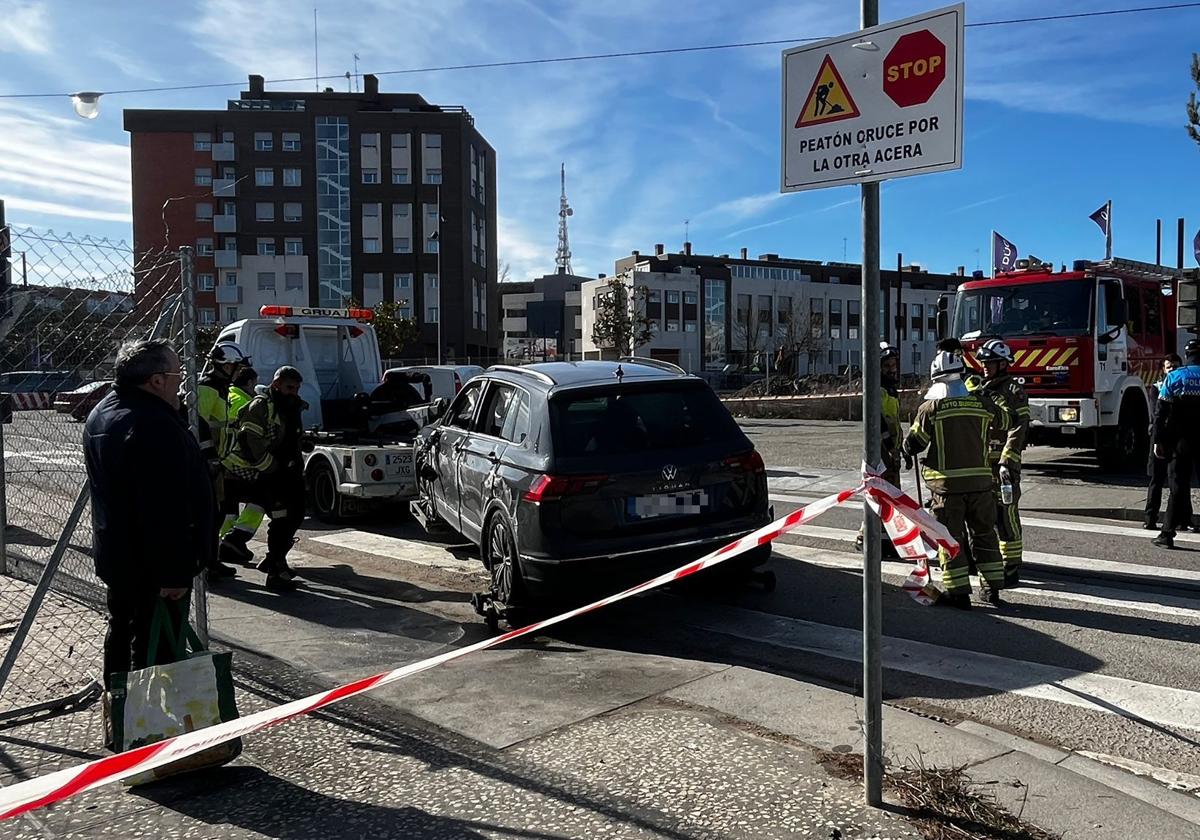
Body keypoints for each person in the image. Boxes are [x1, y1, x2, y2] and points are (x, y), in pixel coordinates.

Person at [82, 339, 216, 687]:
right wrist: (173, 572)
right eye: (177, 373)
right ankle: (154, 730)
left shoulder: (104, 413)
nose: (181, 381)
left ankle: (123, 718)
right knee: (155, 650)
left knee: (123, 633)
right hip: (155, 567)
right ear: (157, 380)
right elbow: (164, 506)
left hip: (120, 557)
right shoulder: (153, 425)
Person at [902, 351, 1009, 609]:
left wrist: (906, 449)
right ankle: (992, 589)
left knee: (950, 539)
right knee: (985, 534)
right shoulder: (981, 404)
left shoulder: (932, 408)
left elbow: (916, 442)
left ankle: (958, 593)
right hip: (982, 485)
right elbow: (1006, 421)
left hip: (947, 488)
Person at [220, 366, 308, 590]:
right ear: (276, 384)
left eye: (297, 388)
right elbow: (250, 440)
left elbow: (288, 435)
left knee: (294, 516)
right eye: (289, 387)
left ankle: (275, 561)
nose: (294, 392)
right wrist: (270, 468)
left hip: (289, 473)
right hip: (271, 475)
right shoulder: (261, 406)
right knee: (280, 519)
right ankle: (275, 572)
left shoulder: (290, 406)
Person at [975, 339, 1030, 588]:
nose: (985, 367)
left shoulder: (1014, 391)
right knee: (983, 514)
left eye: (990, 363)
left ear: (1003, 364)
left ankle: (1011, 567)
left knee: (1005, 514)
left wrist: (1008, 462)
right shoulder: (977, 388)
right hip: (981, 464)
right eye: (983, 362)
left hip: (1003, 467)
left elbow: (1018, 429)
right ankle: (992, 560)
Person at [196, 342, 253, 579]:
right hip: (205, 462)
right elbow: (198, 425)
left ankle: (212, 560)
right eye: (235, 366)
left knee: (218, 513)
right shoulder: (207, 388)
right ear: (224, 365)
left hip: (218, 460)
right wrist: (209, 458)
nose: (238, 371)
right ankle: (205, 564)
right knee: (210, 514)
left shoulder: (219, 388)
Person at [1152, 340, 1200, 549]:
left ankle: (1167, 533)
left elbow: (1160, 414)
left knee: (1177, 486)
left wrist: (1158, 441)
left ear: (1186, 354)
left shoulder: (1174, 376)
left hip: (1180, 441)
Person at [856, 342, 902, 555]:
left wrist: (901, 449)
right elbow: (879, 422)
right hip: (881, 451)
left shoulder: (890, 390)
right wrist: (890, 447)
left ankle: (885, 539)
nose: (892, 369)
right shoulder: (877, 390)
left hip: (891, 450)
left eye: (894, 364)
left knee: (889, 497)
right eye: (887, 366)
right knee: (879, 496)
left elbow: (894, 422)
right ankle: (869, 538)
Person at [217, 367, 266, 565]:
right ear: (249, 383)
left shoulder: (227, 395)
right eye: (254, 383)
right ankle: (235, 539)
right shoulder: (247, 403)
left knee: (228, 506)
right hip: (239, 463)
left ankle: (223, 546)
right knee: (261, 499)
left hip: (221, 460)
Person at [1145, 354, 1189, 531]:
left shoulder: (1183, 385)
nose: (1173, 369)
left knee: (1177, 482)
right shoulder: (1157, 387)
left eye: (1176, 366)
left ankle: (1182, 519)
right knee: (1156, 479)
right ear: (1163, 370)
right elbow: (1158, 411)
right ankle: (1150, 518)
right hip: (1159, 436)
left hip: (1176, 437)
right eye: (1169, 367)